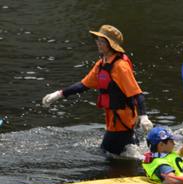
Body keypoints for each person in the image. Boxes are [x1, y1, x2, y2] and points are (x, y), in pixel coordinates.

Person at [42, 25, 153, 155]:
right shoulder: (102, 63)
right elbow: (83, 85)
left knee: (104, 155)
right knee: (129, 153)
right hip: (115, 120)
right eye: (97, 40)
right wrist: (59, 94)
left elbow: (136, 92)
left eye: (102, 41)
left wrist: (144, 117)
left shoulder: (120, 66)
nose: (98, 44)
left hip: (121, 120)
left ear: (111, 44)